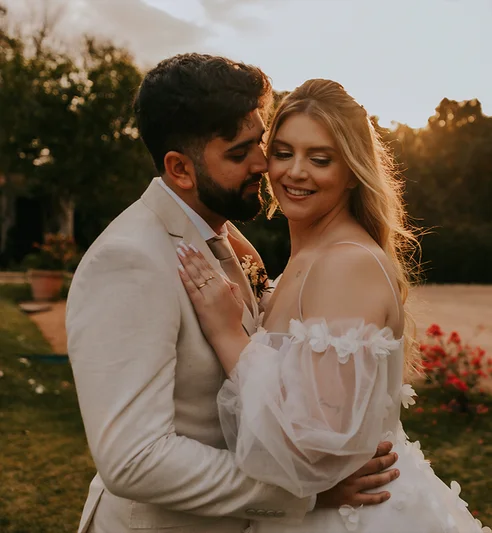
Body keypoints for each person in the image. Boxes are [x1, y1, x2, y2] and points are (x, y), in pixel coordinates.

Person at [65, 55, 398, 533]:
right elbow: (134, 460)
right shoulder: (131, 260)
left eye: (260, 142)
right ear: (181, 169)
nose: (266, 164)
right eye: (241, 154)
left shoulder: (219, 242)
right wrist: (302, 488)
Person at [176, 78, 491, 533]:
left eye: (320, 159)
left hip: (352, 516)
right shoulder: (309, 255)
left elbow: (314, 445)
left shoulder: (346, 264)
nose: (295, 172)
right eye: (283, 153)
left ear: (351, 170)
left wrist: (228, 335)